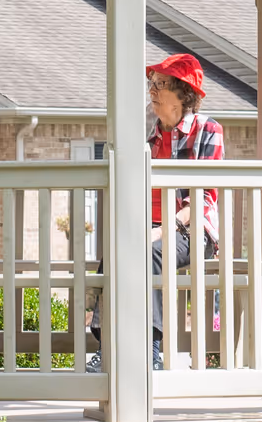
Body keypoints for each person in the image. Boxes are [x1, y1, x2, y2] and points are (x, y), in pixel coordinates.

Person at [88, 54, 223, 370]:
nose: (152, 90)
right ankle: (107, 348)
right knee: (117, 251)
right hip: (151, 227)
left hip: (191, 230)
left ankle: (150, 351)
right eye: (152, 83)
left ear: (182, 93)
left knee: (149, 252)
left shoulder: (207, 130)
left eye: (161, 84)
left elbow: (201, 196)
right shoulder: (149, 137)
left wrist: (165, 229)